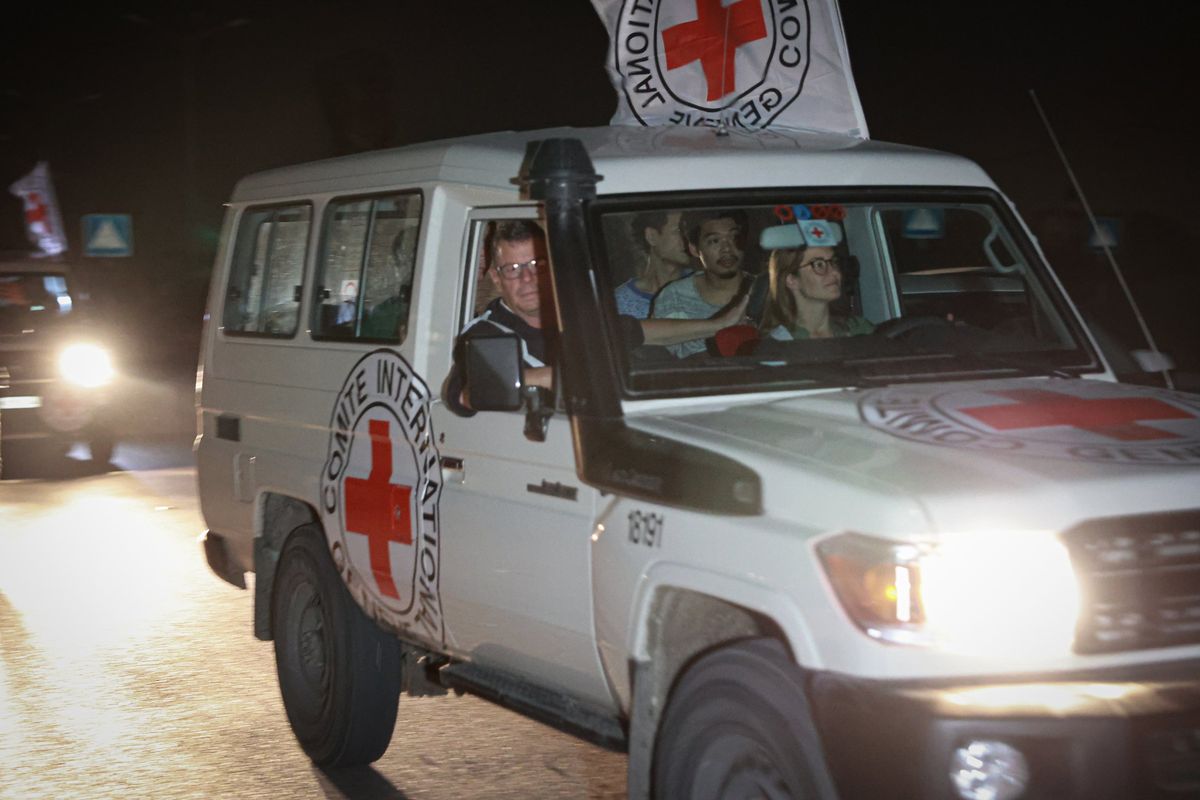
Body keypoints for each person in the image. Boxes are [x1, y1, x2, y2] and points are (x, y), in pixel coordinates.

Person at [445, 220, 553, 416]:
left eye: (537, 264)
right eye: (512, 269)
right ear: (496, 278)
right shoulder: (484, 334)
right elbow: (462, 398)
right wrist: (539, 378)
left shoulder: (585, 320)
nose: (527, 278)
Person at [651, 209, 752, 357]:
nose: (727, 249)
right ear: (694, 249)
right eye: (714, 241)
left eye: (734, 237)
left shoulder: (767, 289)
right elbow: (660, 360)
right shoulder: (674, 297)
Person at [760, 243, 873, 340]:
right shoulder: (778, 344)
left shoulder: (859, 329)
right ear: (792, 280)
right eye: (819, 264)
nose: (835, 272)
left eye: (834, 262)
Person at [614, 210, 692, 319]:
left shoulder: (703, 286)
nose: (688, 239)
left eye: (689, 230)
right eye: (678, 230)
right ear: (651, 236)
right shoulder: (620, 302)